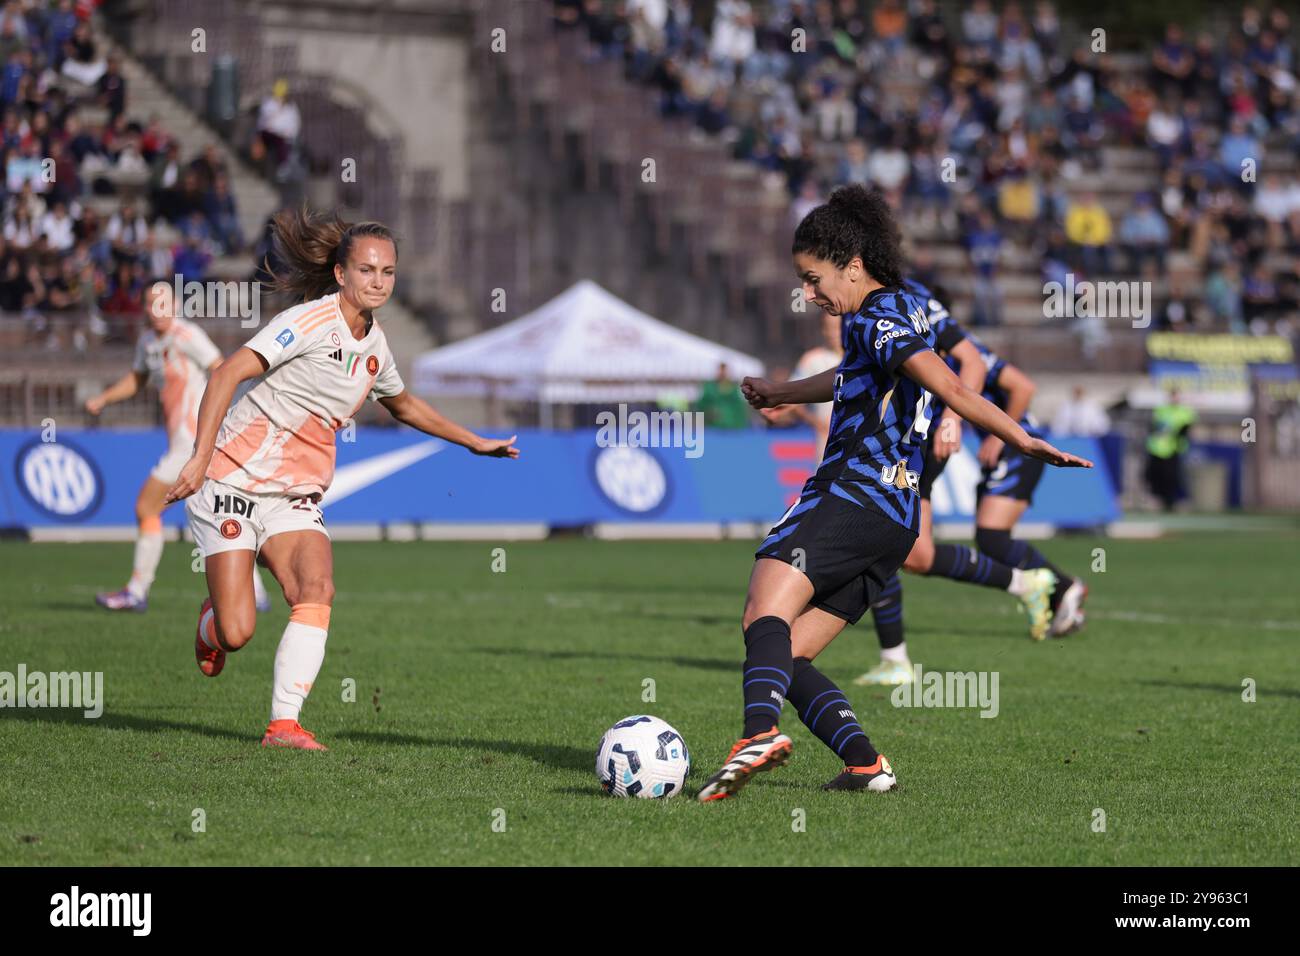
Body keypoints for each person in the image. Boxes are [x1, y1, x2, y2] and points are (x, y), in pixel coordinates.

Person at [696, 185, 1091, 801]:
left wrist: (1021, 438)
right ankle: (865, 764)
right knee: (789, 658)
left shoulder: (876, 318)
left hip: (850, 497)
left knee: (762, 615)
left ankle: (757, 733)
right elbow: (852, 377)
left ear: (851, 264)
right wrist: (782, 392)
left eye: (812, 277)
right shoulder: (896, 308)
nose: (808, 294)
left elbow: (954, 388)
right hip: (895, 518)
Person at [163, 208, 519, 751]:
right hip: (231, 481)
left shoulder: (375, 347)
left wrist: (473, 441)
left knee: (317, 589)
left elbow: (403, 405)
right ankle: (212, 621)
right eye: (367, 271)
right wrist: (198, 456)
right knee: (237, 632)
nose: (378, 282)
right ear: (341, 274)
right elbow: (226, 371)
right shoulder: (309, 321)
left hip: (294, 499)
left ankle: (284, 725)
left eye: (388, 272)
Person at [852, 279, 1061, 688]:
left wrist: (954, 419)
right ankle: (1024, 582)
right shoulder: (861, 308)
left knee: (880, 539)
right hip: (905, 443)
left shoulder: (907, 298)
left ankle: (892, 658)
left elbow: (979, 366)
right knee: (917, 556)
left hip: (919, 445)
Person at [86, 280, 272, 613]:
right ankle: (255, 593)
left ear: (174, 306)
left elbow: (223, 369)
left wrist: (232, 417)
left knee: (147, 509)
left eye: (162, 303)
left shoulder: (187, 336)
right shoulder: (147, 342)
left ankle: (137, 591)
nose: (156, 309)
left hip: (193, 446)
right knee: (220, 515)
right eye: (150, 302)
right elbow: (137, 379)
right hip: (189, 445)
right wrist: (104, 398)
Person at [1145, 388, 1196, 511]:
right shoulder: (1161, 410)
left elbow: (1185, 430)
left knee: (1174, 476)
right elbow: (1154, 426)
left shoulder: (1186, 411)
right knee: (1155, 475)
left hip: (1174, 448)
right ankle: (1158, 500)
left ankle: (1175, 501)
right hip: (1157, 448)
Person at [695, 361, 751, 429]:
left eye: (725, 371)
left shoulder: (734, 388)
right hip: (712, 427)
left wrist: (740, 424)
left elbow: (739, 408)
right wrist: (709, 412)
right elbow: (701, 404)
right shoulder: (709, 387)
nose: (722, 373)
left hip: (732, 426)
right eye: (720, 370)